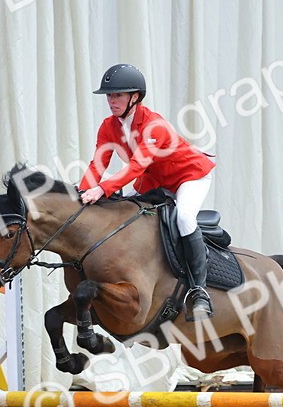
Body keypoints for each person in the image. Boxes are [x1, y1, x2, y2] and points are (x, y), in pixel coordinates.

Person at [79, 64, 216, 320]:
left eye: (118, 95)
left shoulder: (154, 126)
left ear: (135, 97)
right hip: (153, 181)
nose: (111, 101)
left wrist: (101, 189)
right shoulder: (108, 126)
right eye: (109, 95)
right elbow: (98, 163)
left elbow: (135, 167)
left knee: (184, 218)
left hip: (188, 177)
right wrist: (82, 193)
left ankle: (199, 290)